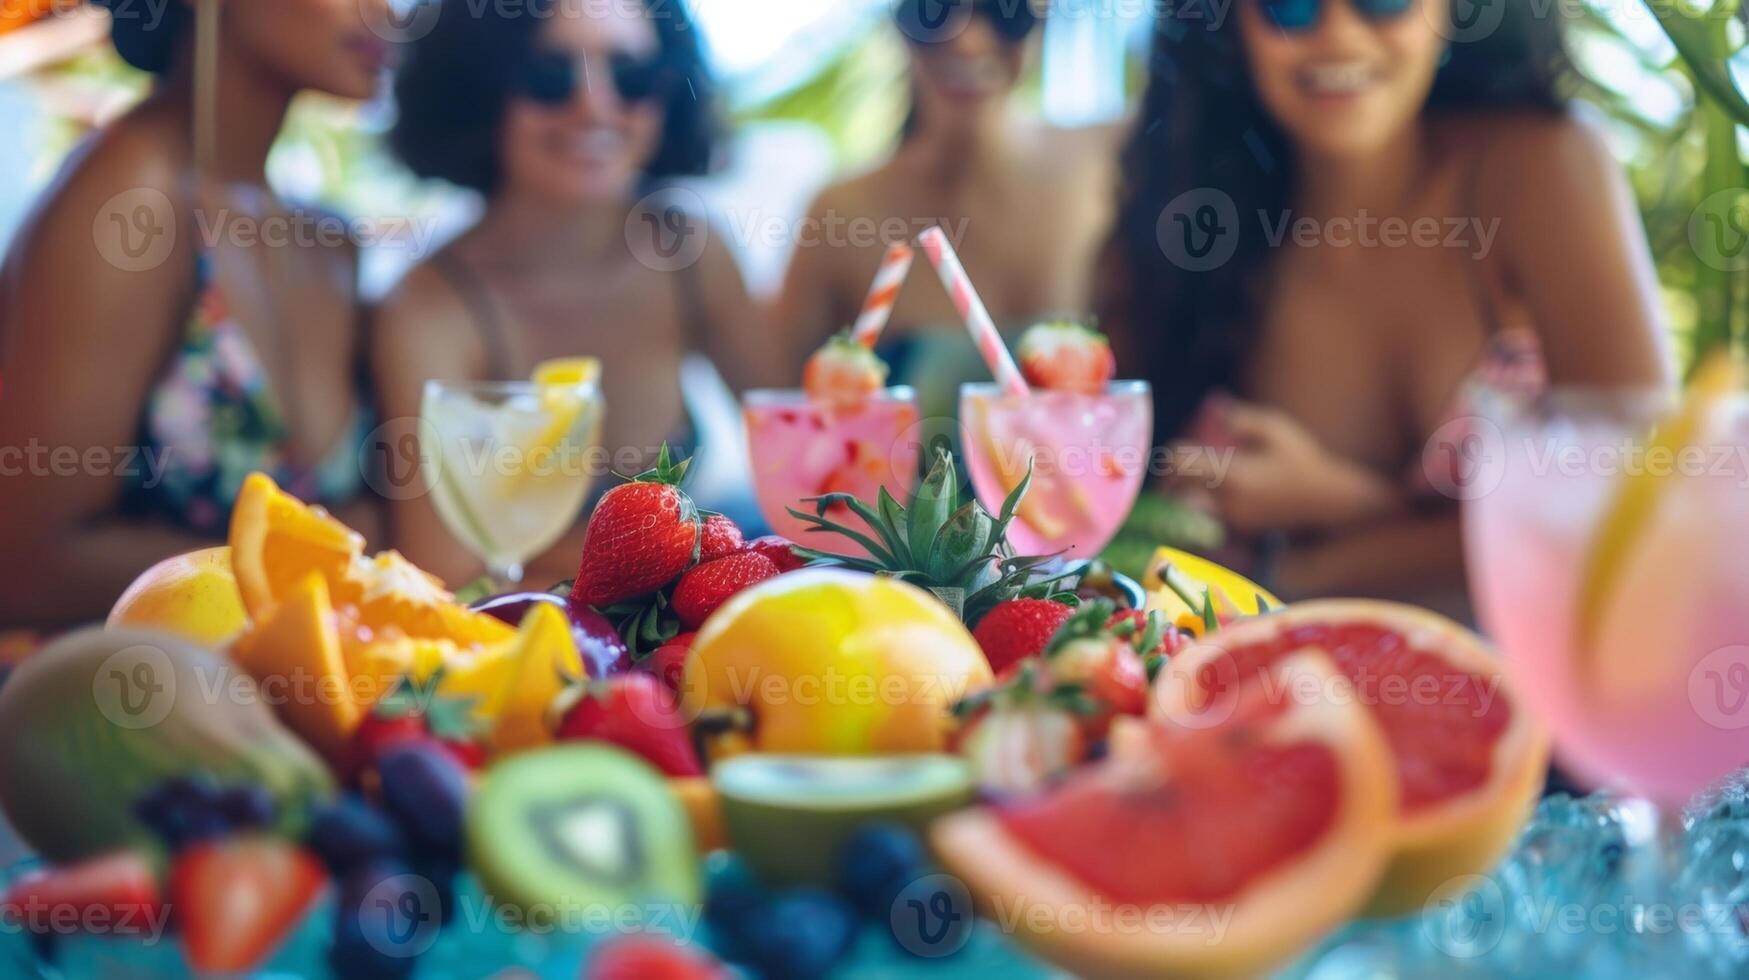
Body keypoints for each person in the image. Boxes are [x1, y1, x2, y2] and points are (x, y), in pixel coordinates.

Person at [1101, 0, 1671, 609]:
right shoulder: (1188, 232)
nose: (1339, 32)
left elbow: (1641, 520)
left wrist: (1326, 527)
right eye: (1289, 5)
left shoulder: (1543, 167)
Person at [0, 0, 391, 627]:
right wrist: (336, 557)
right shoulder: (134, 198)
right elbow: (23, 566)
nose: (390, 11)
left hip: (299, 702)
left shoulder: (330, 243)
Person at [378, 0, 769, 585]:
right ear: (478, 92)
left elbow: (803, 446)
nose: (596, 104)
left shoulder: (691, 251)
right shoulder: (428, 306)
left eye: (632, 76)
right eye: (549, 75)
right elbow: (449, 574)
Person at [775, 0, 1122, 420]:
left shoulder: (1113, 164)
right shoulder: (840, 213)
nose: (967, 39)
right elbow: (785, 416)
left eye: (1002, 10)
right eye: (933, 9)